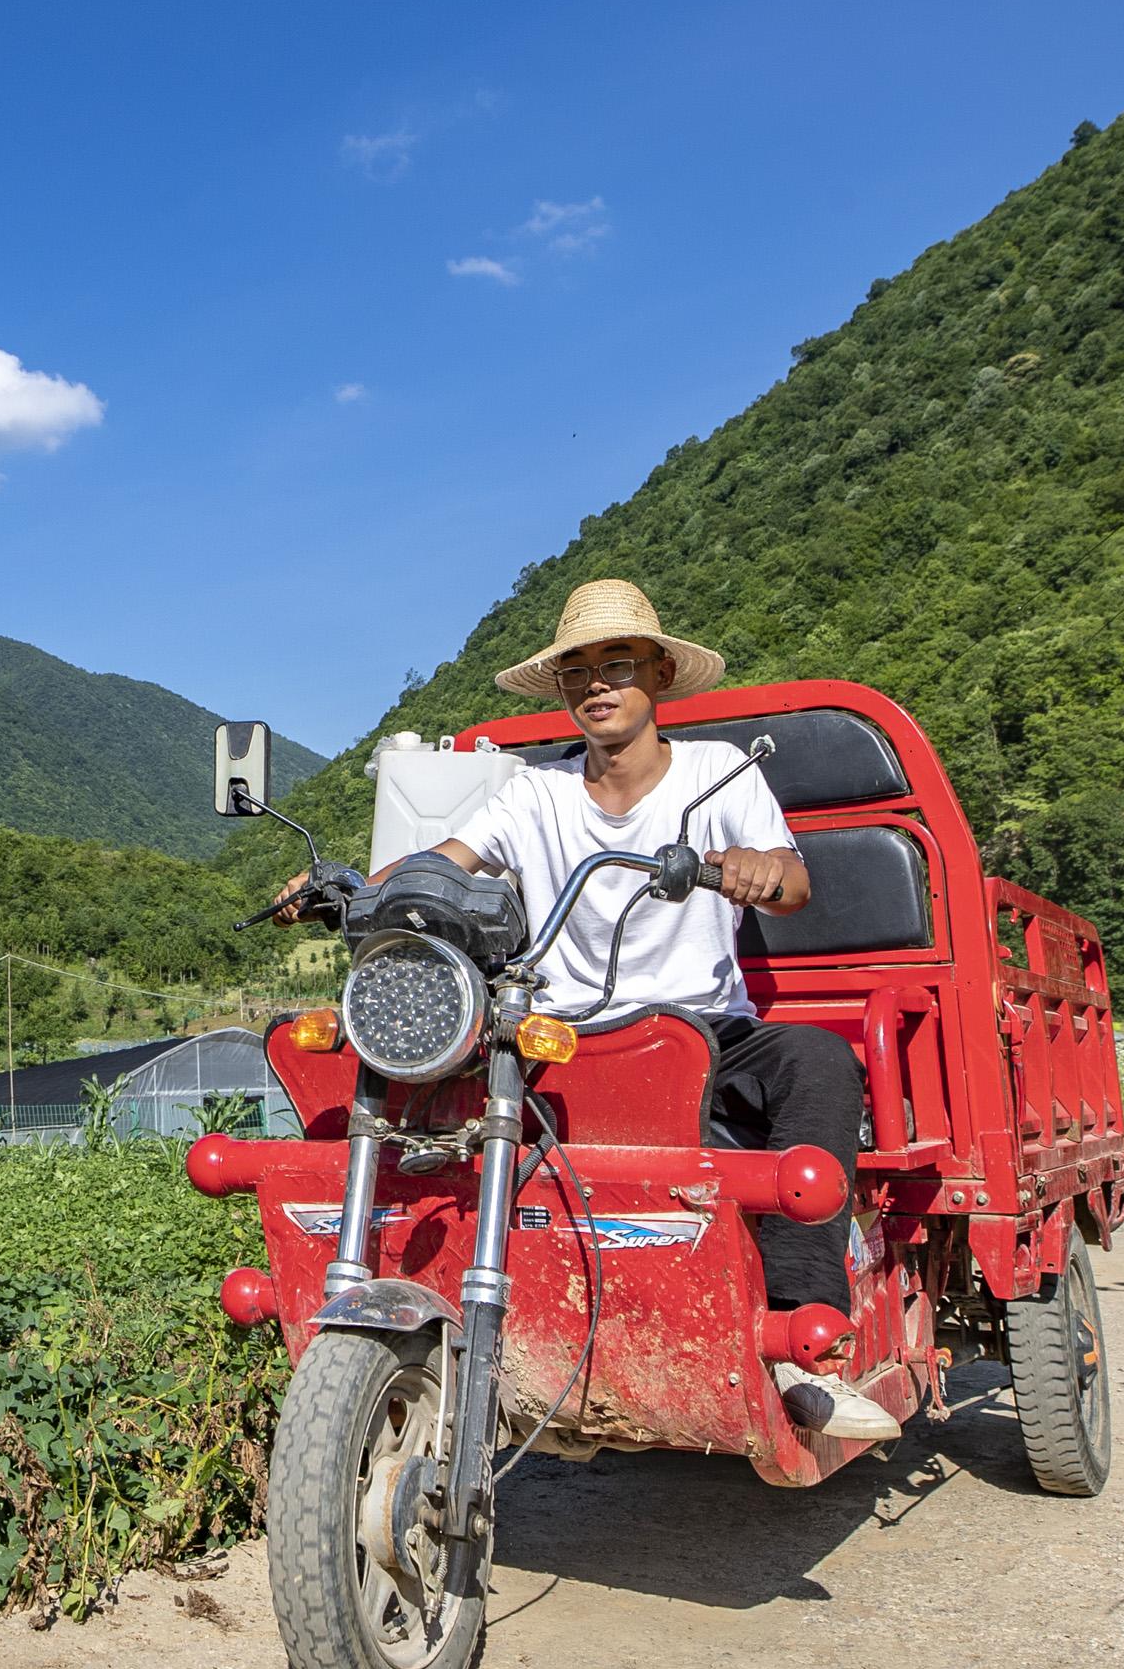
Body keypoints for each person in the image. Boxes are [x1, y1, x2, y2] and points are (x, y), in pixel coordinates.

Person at [283, 578, 893, 1443]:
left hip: (703, 1028)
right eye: (578, 672)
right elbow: (442, 863)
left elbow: (792, 882)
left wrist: (753, 865)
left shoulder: (719, 773)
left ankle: (801, 1336)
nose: (597, 684)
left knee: (820, 1062)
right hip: (565, 1038)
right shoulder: (535, 793)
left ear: (657, 675)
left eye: (617, 665)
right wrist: (340, 886)